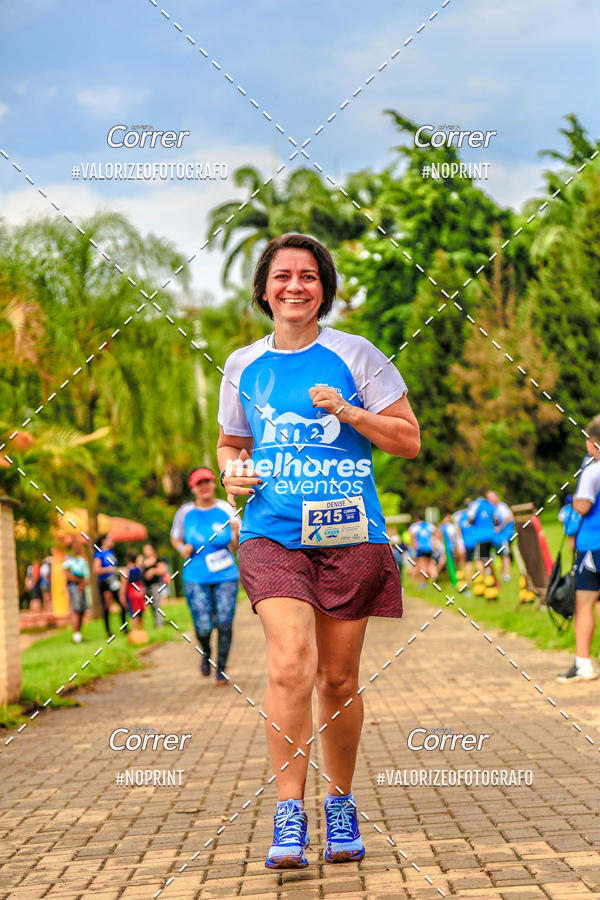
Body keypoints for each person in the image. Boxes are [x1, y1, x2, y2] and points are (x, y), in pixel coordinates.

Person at [217, 233, 420, 870]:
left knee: (338, 678)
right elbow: (231, 444)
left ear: (324, 290)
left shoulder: (357, 355)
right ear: (264, 289)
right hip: (272, 533)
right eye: (283, 275)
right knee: (289, 664)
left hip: (348, 534)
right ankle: (288, 812)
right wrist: (232, 473)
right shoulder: (242, 365)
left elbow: (408, 440)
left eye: (308, 276)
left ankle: (340, 802)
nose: (295, 286)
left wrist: (352, 414)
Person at [170, 468, 240, 684]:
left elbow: (238, 544)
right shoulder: (185, 512)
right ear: (193, 488)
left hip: (226, 574)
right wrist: (181, 548)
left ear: (213, 484)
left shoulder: (226, 509)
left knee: (225, 622)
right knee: (203, 626)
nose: (204, 487)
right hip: (195, 576)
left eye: (208, 482)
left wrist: (236, 533)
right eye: (199, 483)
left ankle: (222, 668)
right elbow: (175, 537)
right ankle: (206, 653)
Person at [557, 417, 600, 683]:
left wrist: (571, 505)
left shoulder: (592, 470)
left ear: (591, 442)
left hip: (593, 544)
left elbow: (582, 506)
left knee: (584, 603)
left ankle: (583, 665)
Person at [93, 534, 128, 637]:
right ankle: (108, 631)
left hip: (114, 581)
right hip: (105, 583)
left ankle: (124, 628)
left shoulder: (111, 552)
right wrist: (109, 570)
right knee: (107, 606)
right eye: (109, 539)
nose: (112, 541)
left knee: (122, 603)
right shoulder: (99, 554)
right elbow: (96, 570)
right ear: (104, 541)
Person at [62, 540, 90, 643]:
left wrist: (84, 583)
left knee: (82, 610)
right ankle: (76, 635)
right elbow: (69, 575)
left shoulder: (82, 559)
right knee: (76, 610)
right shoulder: (68, 559)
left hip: (82, 586)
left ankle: (79, 634)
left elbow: (87, 575)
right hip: (75, 587)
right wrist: (81, 582)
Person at [466, 494, 497, 582]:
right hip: (491, 535)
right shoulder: (489, 505)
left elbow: (470, 519)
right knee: (487, 558)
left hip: (480, 536)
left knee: (480, 559)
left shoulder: (475, 505)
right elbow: (496, 519)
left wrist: (472, 523)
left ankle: (482, 582)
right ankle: (493, 579)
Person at [488, 491, 515, 582]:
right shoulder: (490, 508)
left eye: (492, 498)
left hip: (504, 535)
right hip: (494, 537)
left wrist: (501, 526)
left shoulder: (501, 506)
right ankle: (494, 572)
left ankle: (506, 574)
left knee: (504, 553)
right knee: (496, 554)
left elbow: (509, 517)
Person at [141, 543, 167, 627]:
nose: (145, 551)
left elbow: (163, 570)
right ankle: (155, 623)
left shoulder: (158, 559)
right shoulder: (143, 561)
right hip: (146, 586)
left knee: (157, 604)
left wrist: (153, 571)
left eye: (147, 549)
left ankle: (159, 624)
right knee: (151, 605)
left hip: (156, 585)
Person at [120, 552, 145, 638]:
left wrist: (122, 596)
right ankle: (141, 632)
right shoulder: (139, 569)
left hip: (131, 592)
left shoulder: (126, 571)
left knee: (133, 613)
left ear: (128, 559)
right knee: (140, 613)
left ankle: (134, 633)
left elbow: (123, 584)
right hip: (140, 591)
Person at [408, 518, 438, 584]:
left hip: (421, 548)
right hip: (429, 548)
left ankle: (424, 582)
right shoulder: (428, 525)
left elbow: (410, 532)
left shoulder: (416, 526)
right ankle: (435, 576)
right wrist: (434, 540)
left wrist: (414, 543)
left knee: (423, 565)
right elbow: (436, 530)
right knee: (430, 563)